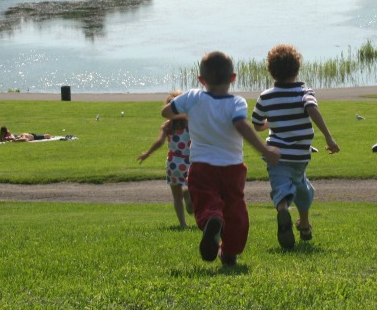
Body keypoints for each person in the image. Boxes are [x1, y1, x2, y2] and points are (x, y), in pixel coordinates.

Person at [161, 51, 280, 267]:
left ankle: (212, 220)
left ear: (201, 79)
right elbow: (241, 125)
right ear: (233, 78)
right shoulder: (237, 103)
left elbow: (166, 112)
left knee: (207, 202)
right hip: (232, 168)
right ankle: (229, 253)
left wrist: (186, 113)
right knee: (235, 208)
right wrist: (264, 149)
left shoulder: (193, 97)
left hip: (202, 166)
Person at [251, 44, 339, 250]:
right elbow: (312, 108)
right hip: (300, 155)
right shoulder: (304, 91)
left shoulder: (266, 96)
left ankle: (283, 208)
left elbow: (257, 124)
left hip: (276, 155)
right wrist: (328, 137)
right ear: (297, 68)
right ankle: (305, 225)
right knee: (301, 188)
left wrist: (269, 123)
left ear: (271, 70)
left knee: (281, 187)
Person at [138, 90, 193, 228]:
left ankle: (182, 224)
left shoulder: (167, 126)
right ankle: (190, 195)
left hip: (174, 163)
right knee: (195, 188)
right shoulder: (190, 123)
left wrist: (147, 153)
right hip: (189, 163)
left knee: (176, 196)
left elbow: (159, 142)